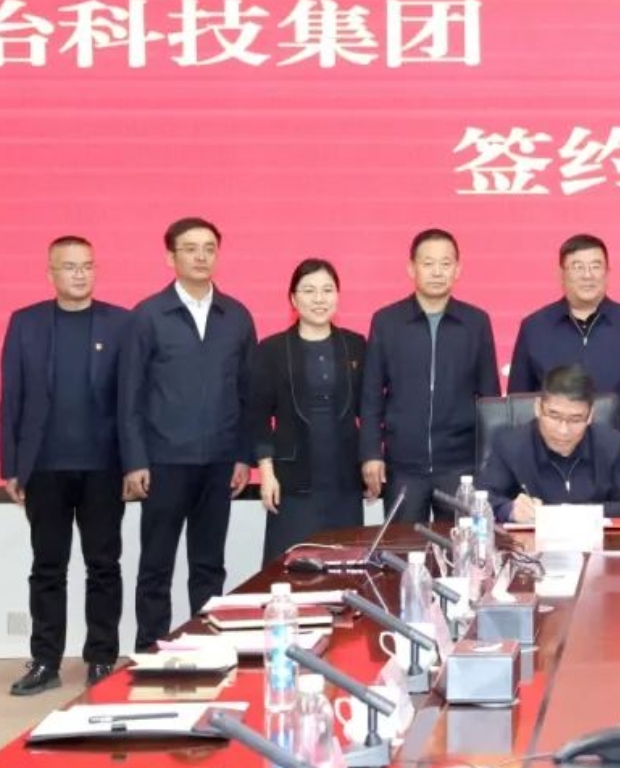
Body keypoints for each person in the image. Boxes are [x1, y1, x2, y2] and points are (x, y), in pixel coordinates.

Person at [0, 236, 132, 694]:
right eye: (70, 266)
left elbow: (132, 401)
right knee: (48, 568)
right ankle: (45, 661)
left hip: (104, 467)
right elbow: (11, 399)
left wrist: (134, 463)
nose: (80, 274)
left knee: (104, 566)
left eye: (87, 266)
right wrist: (11, 466)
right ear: (50, 273)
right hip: (44, 467)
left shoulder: (121, 324)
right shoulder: (26, 323)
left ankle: (101, 658)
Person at [119, 217, 257, 652]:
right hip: (164, 462)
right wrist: (135, 460)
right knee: (156, 565)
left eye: (209, 248)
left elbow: (248, 393)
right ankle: (149, 650)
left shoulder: (236, 316)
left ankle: (207, 647)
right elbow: (129, 395)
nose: (201, 256)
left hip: (219, 463)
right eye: (190, 248)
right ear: (170, 257)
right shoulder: (147, 315)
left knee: (209, 565)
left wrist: (243, 456)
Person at [359, 228, 500, 523]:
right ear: (411, 268)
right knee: (404, 546)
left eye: (445, 263)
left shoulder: (475, 322)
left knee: (463, 546)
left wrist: (491, 463)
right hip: (404, 466)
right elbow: (371, 395)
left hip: (461, 467)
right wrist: (371, 452)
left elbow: (490, 399)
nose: (437, 272)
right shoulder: (387, 321)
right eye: (428, 263)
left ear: (458, 269)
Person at [507, 235, 620, 489]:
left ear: (607, 272)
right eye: (577, 267)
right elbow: (519, 399)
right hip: (546, 461)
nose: (587, 275)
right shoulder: (534, 327)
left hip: (616, 459)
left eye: (595, 266)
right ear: (561, 274)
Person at [247, 258, 367, 565]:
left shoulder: (355, 345)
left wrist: (370, 460)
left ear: (337, 296)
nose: (319, 299)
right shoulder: (272, 349)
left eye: (327, 290)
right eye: (309, 290)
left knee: (345, 565)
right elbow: (258, 416)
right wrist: (266, 473)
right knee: (290, 567)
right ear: (293, 298)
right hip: (293, 480)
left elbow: (369, 409)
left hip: (344, 479)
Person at [476, 364, 620, 523]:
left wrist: (578, 513)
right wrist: (510, 510)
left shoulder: (611, 445)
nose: (563, 430)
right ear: (538, 408)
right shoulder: (510, 445)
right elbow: (481, 498)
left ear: (590, 416)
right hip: (528, 544)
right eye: (554, 416)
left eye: (575, 419)